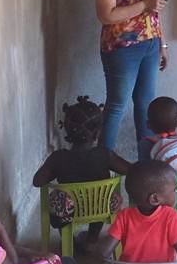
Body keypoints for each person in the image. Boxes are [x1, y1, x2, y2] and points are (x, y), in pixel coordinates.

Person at [95, 0, 169, 161]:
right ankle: (101, 165)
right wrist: (143, 5)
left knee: (146, 106)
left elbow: (155, 9)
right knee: (117, 105)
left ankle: (146, 167)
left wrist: (163, 44)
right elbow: (106, 15)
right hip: (122, 47)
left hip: (150, 43)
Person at [33, 96, 131, 252]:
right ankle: (92, 239)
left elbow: (37, 181)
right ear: (97, 132)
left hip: (70, 209)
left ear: (66, 129)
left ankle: (68, 241)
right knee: (104, 195)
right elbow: (130, 170)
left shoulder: (58, 157)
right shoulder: (105, 154)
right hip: (102, 207)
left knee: (59, 199)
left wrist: (53, 169)